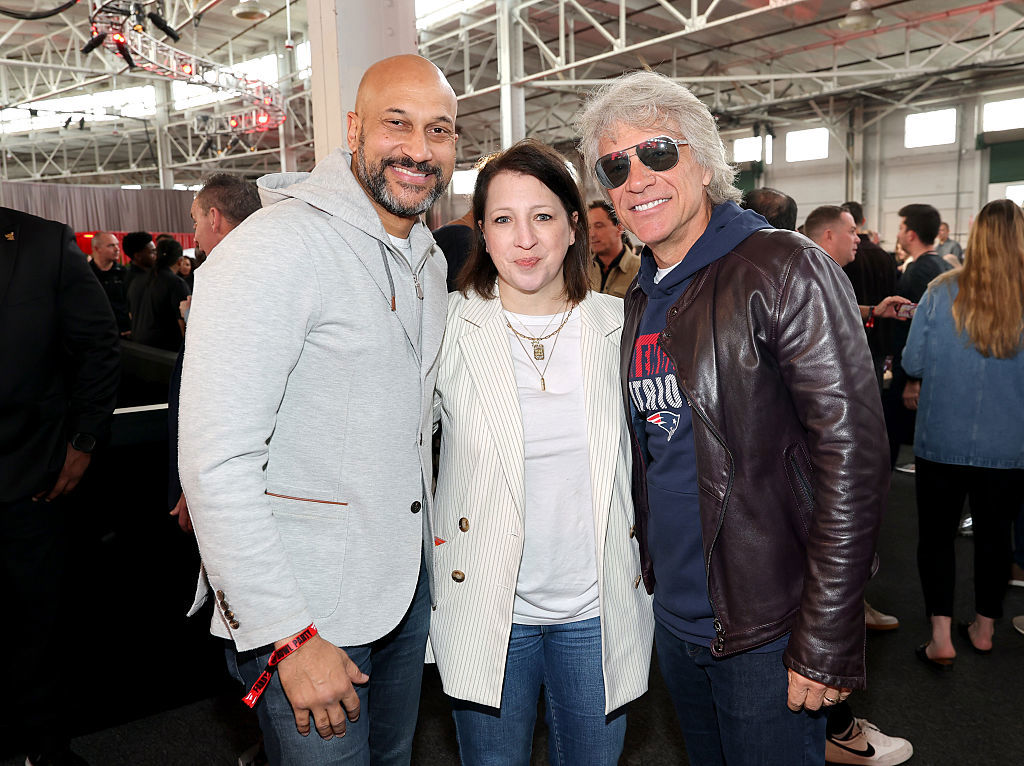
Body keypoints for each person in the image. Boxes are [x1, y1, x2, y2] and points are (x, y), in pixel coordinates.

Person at [576, 70, 889, 766]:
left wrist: (827, 632)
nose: (637, 178)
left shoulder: (783, 268)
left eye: (659, 152)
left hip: (768, 625)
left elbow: (855, 461)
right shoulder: (643, 296)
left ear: (705, 162)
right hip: (679, 617)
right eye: (616, 165)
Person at [178, 54, 457, 765]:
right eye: (397, 124)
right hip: (306, 619)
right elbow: (216, 463)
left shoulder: (428, 257)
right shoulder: (273, 247)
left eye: (439, 129)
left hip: (401, 594)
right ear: (354, 129)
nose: (419, 149)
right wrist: (288, 634)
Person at [430, 139, 654, 765]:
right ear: (482, 232)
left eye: (543, 216)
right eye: (503, 219)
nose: (525, 239)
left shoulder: (621, 325)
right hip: (489, 609)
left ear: (574, 225)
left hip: (597, 608)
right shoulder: (448, 326)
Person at [1, 206, 120, 766]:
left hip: (28, 479)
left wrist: (84, 439)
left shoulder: (42, 243)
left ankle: (46, 751)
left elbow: (98, 344)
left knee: (38, 628)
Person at [902, 199, 1024, 667]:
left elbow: (913, 362)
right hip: (1009, 444)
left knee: (936, 536)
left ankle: (941, 637)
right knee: (996, 536)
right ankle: (985, 628)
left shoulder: (940, 291)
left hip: (941, 439)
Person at [168, 173, 263, 534]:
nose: (193, 236)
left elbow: (222, 397)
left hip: (225, 480)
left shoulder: (232, 278)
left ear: (214, 218)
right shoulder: (257, 268)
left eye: (195, 221)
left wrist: (200, 485)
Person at [885, 204, 953, 471]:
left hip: (913, 368)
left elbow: (920, 325)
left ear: (911, 234)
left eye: (901, 227)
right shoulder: (939, 265)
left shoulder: (920, 270)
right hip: (924, 366)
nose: (899, 233)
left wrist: (913, 380)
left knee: (895, 429)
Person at [841, 201, 900, 388]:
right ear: (864, 220)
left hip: (849, 342)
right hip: (879, 341)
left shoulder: (842, 258)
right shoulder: (885, 256)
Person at [128, 237, 190, 352]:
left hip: (138, 350)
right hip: (166, 352)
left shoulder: (137, 281)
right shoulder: (176, 284)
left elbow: (131, 314)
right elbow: (185, 324)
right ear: (180, 261)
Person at [586, 200, 640, 297]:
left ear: (619, 228)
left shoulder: (640, 270)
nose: (591, 234)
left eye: (599, 226)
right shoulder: (583, 270)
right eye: (589, 227)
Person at [89, 231, 132, 336]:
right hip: (95, 332)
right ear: (97, 249)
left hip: (123, 332)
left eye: (117, 245)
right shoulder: (86, 274)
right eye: (111, 245)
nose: (117, 249)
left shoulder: (124, 273)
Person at [121, 230, 156, 301]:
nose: (156, 255)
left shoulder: (152, 273)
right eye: (152, 252)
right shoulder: (134, 281)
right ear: (138, 256)